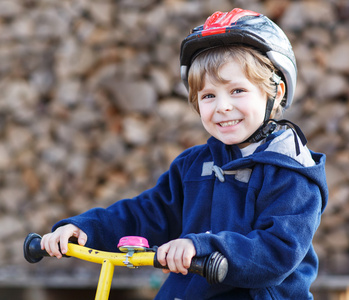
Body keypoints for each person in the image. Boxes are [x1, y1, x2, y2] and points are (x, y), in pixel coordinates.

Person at [40, 8, 328, 299]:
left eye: (237, 91)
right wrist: (85, 228)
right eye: (209, 96)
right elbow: (146, 214)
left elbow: (276, 252)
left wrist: (201, 247)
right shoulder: (194, 165)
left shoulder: (292, 172)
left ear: (275, 92)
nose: (222, 106)